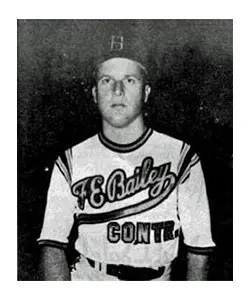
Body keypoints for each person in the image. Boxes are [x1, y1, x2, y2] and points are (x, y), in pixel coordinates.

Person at [37, 33, 216, 281]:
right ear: (94, 94)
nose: (117, 91)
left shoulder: (180, 157)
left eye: (130, 80)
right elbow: (52, 245)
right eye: (107, 81)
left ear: (146, 92)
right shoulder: (71, 160)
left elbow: (200, 249)